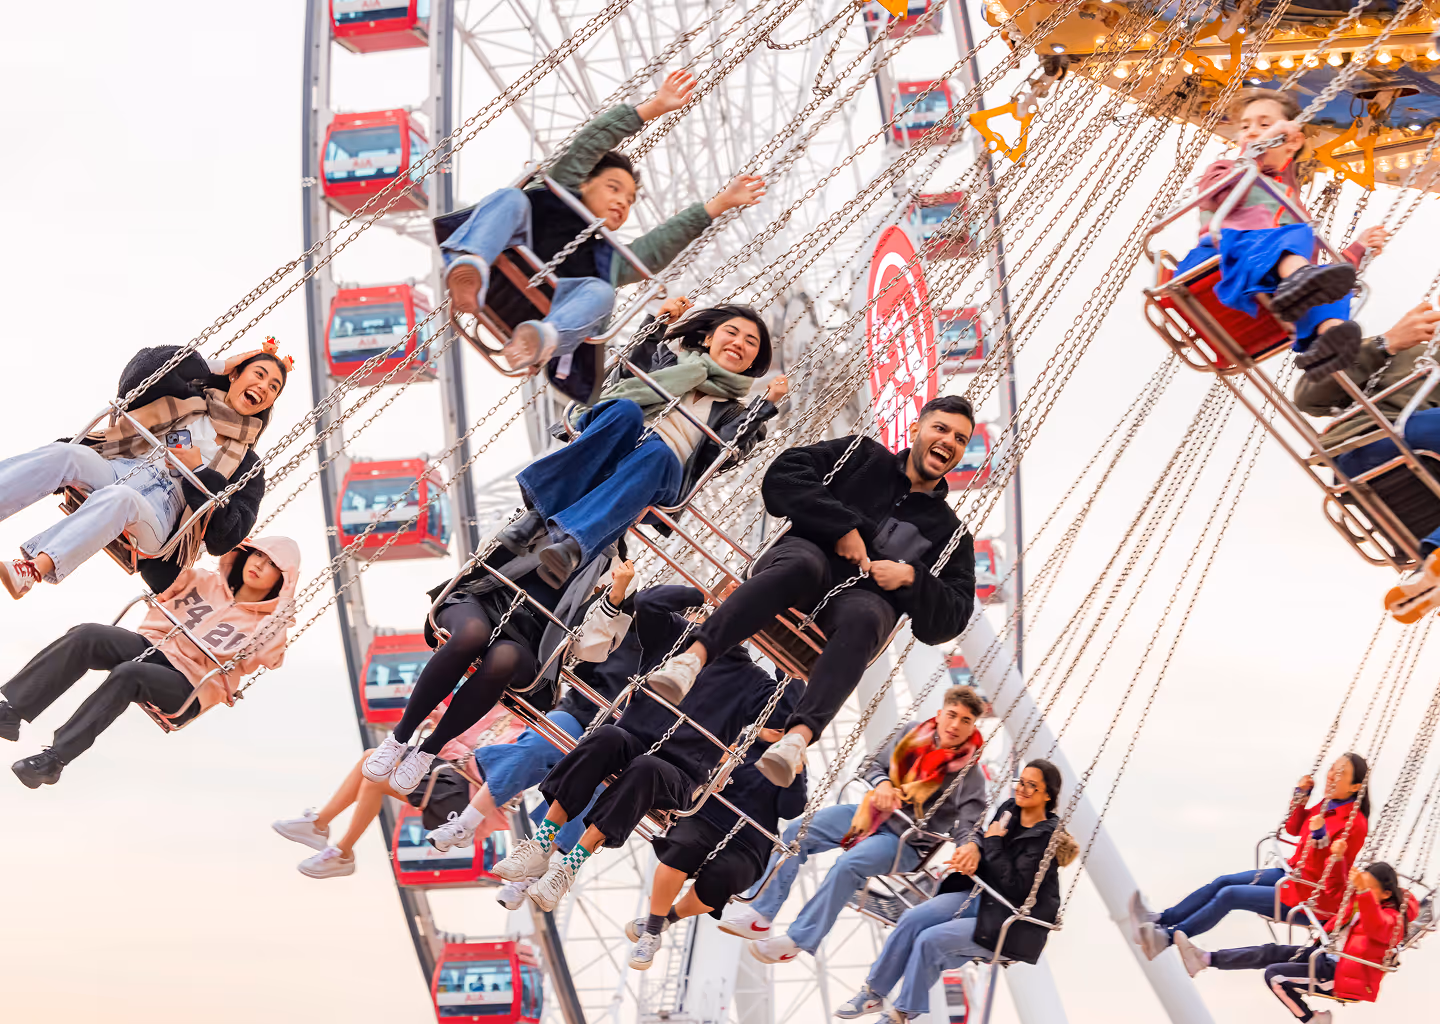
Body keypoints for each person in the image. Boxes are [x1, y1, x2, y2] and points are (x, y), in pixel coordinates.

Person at [643, 395, 977, 786]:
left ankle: (798, 737)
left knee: (868, 618)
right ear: (917, 428)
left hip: (861, 600)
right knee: (802, 564)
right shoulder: (863, 455)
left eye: (960, 438)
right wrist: (841, 527)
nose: (949, 441)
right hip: (805, 558)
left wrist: (911, 578)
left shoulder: (951, 534)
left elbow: (951, 618)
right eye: (941, 428)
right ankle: (693, 658)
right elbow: (785, 474)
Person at [436, 68, 767, 396]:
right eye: (613, 188)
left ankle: (544, 338)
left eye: (629, 200)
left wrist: (720, 203)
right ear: (584, 182)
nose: (622, 202)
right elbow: (588, 144)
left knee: (602, 292)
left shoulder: (606, 261)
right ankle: (471, 267)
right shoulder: (553, 192)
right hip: (497, 273)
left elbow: (655, 249)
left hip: (541, 315)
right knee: (510, 199)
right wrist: (653, 107)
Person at [490, 583, 799, 914]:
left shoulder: (754, 682)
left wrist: (780, 639)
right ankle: (541, 843)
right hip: (631, 739)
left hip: (679, 773)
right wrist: (705, 595)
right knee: (606, 736)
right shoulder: (679, 636)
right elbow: (649, 602)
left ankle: (569, 867)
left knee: (647, 769)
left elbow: (787, 711)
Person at [497, 298, 785, 587]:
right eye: (731, 332)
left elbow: (722, 454)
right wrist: (657, 325)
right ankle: (538, 519)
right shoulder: (667, 362)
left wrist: (763, 407)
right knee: (626, 410)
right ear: (709, 338)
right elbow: (626, 373)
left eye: (751, 342)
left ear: (753, 360)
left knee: (656, 452)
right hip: (614, 438)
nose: (739, 343)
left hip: (662, 475)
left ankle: (571, 545)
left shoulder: (738, 412)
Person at [0, 341, 290, 599]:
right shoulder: (186, 398)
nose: (264, 386)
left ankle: (31, 570)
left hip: (159, 512)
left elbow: (227, 535)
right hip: (123, 468)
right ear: (236, 375)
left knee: (120, 498)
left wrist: (198, 471)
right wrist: (216, 366)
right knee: (67, 454)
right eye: (259, 375)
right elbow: (144, 368)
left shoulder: (247, 466)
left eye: (273, 387)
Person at [1, 537, 298, 786]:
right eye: (257, 555)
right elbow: (155, 569)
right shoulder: (203, 581)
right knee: (88, 634)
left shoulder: (268, 625)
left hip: (188, 685)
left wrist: (283, 604)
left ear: (283, 580)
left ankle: (54, 760)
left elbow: (269, 655)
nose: (259, 564)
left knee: (129, 674)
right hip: (152, 647)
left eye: (273, 565)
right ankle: (13, 712)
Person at [734, 686, 988, 965]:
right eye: (952, 715)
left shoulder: (969, 772)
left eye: (966, 720)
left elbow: (970, 822)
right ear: (940, 714)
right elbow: (872, 765)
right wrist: (883, 784)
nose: (955, 725)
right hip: (870, 814)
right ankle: (761, 913)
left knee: (848, 865)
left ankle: (798, 940)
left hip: (904, 841)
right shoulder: (912, 734)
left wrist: (971, 846)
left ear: (973, 726)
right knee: (797, 831)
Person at [359, 540, 624, 798]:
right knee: (471, 635)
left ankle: (429, 751)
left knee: (503, 659)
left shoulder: (618, 569)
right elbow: (489, 545)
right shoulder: (554, 515)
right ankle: (398, 737)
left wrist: (614, 600)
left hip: (531, 642)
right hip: (484, 599)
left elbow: (591, 650)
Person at [422, 560, 643, 860]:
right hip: (581, 713)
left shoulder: (699, 662)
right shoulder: (626, 626)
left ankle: (535, 861)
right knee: (538, 745)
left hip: (627, 742)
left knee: (596, 785)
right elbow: (585, 655)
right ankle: (466, 823)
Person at [838, 760, 1075, 1023]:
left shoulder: (1045, 838)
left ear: (1047, 795)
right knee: (911, 920)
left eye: (1032, 785)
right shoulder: (1010, 810)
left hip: (1010, 921)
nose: (1023, 789)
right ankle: (873, 992)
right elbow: (987, 849)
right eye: (1022, 782)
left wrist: (993, 841)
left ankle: (902, 1011)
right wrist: (972, 853)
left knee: (931, 940)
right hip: (980, 896)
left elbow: (1016, 886)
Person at [1175, 88, 1386, 370]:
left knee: (1329, 279)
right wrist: (1257, 150)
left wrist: (1358, 249)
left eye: (1264, 125)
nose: (1252, 132)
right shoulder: (1226, 169)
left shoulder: (1290, 203)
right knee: (1296, 237)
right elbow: (1219, 194)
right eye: (1245, 126)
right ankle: (1302, 285)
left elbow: (1313, 264)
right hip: (1222, 258)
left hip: (1270, 281)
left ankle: (1331, 339)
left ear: (1292, 142)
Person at [1132, 753, 1371, 958]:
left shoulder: (1355, 823)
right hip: (1292, 874)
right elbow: (1293, 828)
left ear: (1355, 787)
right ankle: (1162, 919)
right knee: (1223, 881)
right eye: (1332, 769)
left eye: (1340, 774)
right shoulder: (1327, 805)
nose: (1331, 776)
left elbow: (1333, 875)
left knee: (1230, 894)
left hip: (1311, 897)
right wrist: (1301, 795)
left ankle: (1167, 938)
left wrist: (1320, 836)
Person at [624, 708, 808, 971]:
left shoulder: (791, 762)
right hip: (707, 818)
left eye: (785, 726)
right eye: (774, 720)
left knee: (723, 880)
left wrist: (796, 774)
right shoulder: (737, 740)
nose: (778, 727)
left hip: (751, 841)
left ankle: (669, 916)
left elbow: (790, 810)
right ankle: (652, 930)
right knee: (681, 850)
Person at [1293, 300, 1440, 585]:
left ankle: (1430, 564)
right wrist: (1387, 344)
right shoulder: (1419, 345)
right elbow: (1308, 395)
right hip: (1379, 438)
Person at [272, 709, 503, 879]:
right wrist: (442, 722)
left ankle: (342, 852)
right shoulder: (498, 710)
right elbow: (466, 746)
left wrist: (448, 737)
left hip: (471, 795)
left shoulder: (519, 728)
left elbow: (489, 765)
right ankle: (319, 825)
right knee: (371, 758)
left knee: (377, 781)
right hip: (456, 773)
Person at [1174, 862, 1414, 1024]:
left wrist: (1363, 892)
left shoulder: (1392, 920)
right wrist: (1341, 859)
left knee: (1275, 976)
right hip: (1323, 957)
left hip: (1341, 977)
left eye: (1368, 889)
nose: (1361, 891)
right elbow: (1335, 887)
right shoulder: (1359, 902)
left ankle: (1311, 1020)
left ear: (1386, 894)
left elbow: (1376, 927)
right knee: (1270, 952)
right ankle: (1205, 959)